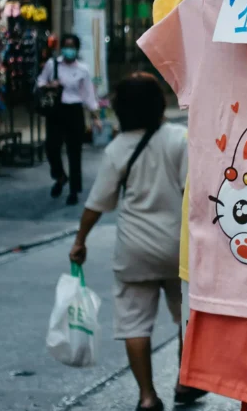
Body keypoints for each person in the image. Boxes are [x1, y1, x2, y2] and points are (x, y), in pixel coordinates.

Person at [69, 72, 204, 411]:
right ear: (159, 105)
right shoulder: (179, 139)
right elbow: (197, 192)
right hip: (178, 248)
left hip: (134, 249)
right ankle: (184, 382)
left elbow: (96, 203)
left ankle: (146, 397)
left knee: (134, 322)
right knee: (185, 317)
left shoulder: (117, 149)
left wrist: (80, 241)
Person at [36, 34, 101, 206]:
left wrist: (95, 117)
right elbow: (40, 81)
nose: (68, 49)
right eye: (66, 46)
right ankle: (60, 176)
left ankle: (74, 190)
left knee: (74, 152)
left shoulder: (83, 69)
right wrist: (50, 85)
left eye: (72, 46)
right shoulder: (53, 65)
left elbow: (88, 94)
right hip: (56, 110)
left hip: (75, 111)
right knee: (51, 147)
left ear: (77, 49)